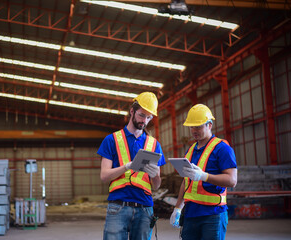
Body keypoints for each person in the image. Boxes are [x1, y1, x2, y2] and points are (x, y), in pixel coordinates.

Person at [97, 92, 166, 240]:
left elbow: (156, 186)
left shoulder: (154, 144)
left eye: (149, 117)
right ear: (132, 111)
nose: (144, 121)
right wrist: (127, 166)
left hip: (145, 207)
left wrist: (155, 175)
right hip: (118, 205)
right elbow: (104, 176)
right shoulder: (111, 140)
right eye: (141, 115)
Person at [170, 104, 237, 240]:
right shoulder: (190, 150)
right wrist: (178, 208)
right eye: (192, 127)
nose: (194, 130)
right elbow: (186, 181)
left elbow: (232, 180)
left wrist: (203, 176)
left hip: (213, 215)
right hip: (190, 214)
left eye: (198, 126)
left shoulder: (222, 148)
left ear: (209, 125)